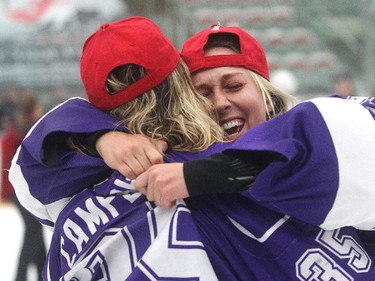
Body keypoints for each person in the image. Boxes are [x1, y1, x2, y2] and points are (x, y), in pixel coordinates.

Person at [10, 20, 375, 281]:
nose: (220, 103)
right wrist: (100, 139)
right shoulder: (135, 174)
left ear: (266, 91)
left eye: (233, 85)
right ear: (183, 97)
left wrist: (204, 174)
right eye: (203, 92)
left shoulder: (321, 154)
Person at [10, 16, 227, 280]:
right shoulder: (226, 168)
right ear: (181, 79)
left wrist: (94, 138)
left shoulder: (74, 189)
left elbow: (25, 174)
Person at [1, 92, 46, 281]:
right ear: (32, 110)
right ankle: (21, 277)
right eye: (38, 108)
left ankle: (43, 273)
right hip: (20, 191)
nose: (41, 111)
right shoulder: (27, 131)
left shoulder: (19, 130)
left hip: (20, 190)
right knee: (33, 231)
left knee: (35, 231)